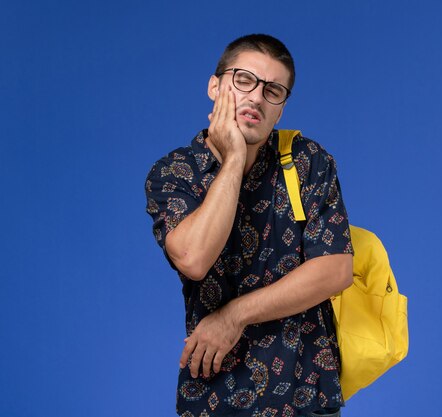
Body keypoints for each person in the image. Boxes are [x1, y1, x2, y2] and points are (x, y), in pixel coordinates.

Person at [145, 34, 353, 417]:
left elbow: (336, 269)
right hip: (214, 396)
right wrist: (234, 159)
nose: (256, 97)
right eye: (244, 80)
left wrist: (234, 315)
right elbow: (193, 258)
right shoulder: (174, 173)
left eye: (273, 90)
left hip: (306, 396)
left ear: (281, 109)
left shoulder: (308, 161)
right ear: (215, 86)